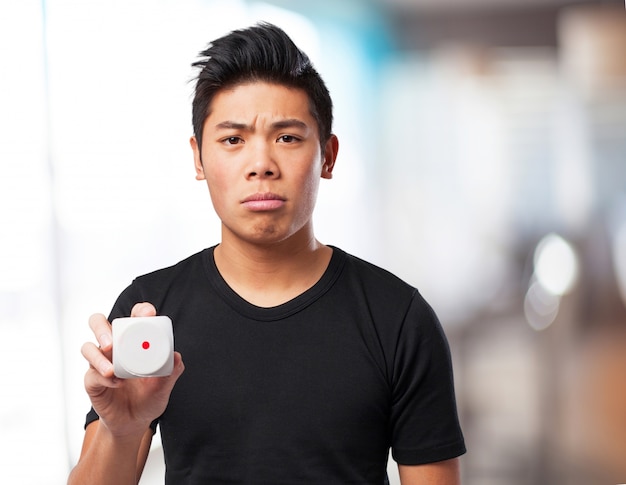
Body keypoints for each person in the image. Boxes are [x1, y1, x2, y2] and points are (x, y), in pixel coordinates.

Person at [68, 22, 466, 485]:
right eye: (233, 140)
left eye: (288, 138)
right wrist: (123, 430)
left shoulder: (398, 317)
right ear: (198, 158)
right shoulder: (150, 313)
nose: (261, 165)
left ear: (328, 156)